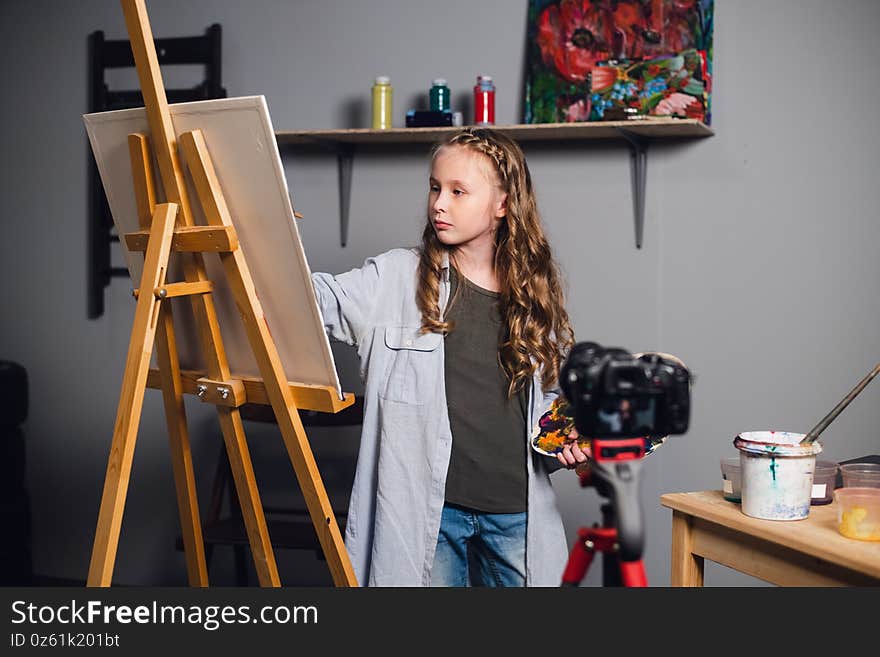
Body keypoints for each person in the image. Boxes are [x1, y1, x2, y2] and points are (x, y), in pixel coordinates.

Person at [310, 127, 587, 586]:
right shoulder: (397, 276)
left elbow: (549, 404)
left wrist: (570, 441)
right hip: (430, 517)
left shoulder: (534, 296)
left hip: (517, 511)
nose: (439, 203)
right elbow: (314, 300)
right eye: (436, 188)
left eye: (459, 191)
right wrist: (253, 250)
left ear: (502, 204)